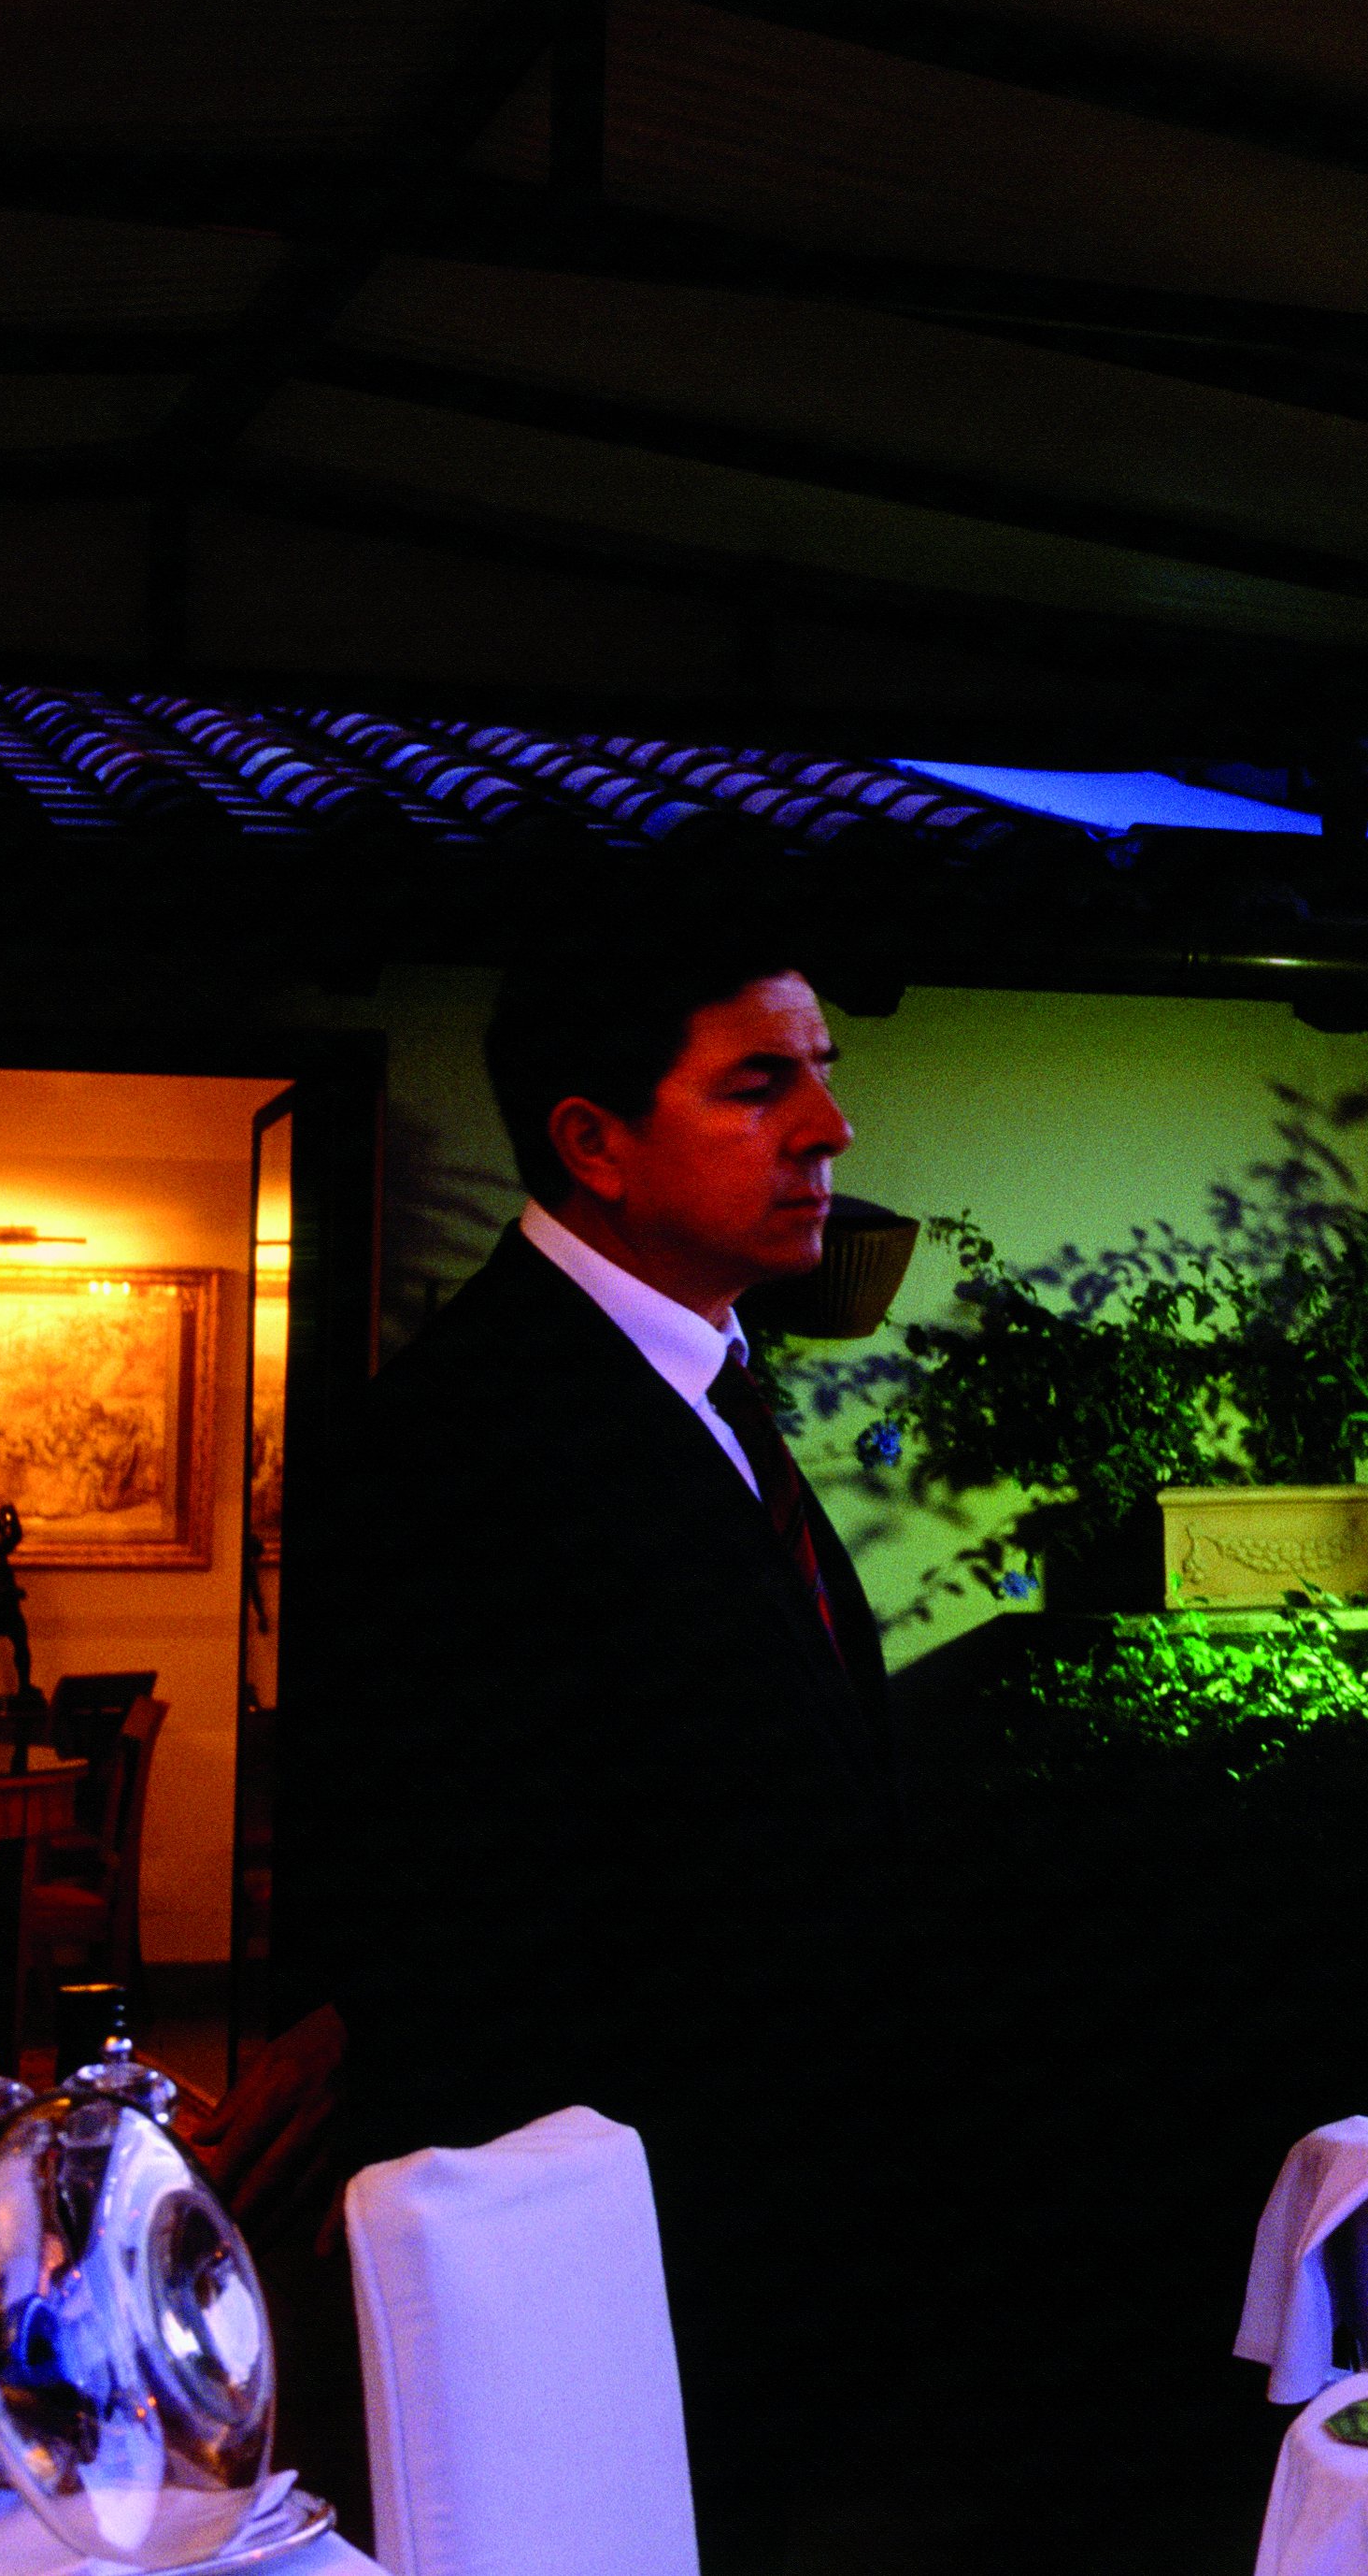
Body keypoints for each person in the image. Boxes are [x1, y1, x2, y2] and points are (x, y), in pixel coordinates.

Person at [309, 952, 902, 2551]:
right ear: (593, 1140)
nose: (829, 1127)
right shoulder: (465, 1436)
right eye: (758, 1084)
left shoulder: (698, 1374)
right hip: (627, 2272)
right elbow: (449, 1933)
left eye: (822, 1071)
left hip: (776, 2257)